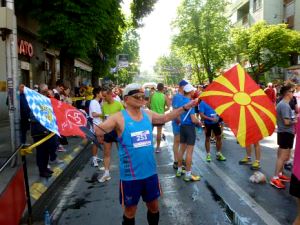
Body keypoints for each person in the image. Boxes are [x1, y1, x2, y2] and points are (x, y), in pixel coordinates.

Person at [94, 83, 197, 225]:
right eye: (137, 96)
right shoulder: (118, 118)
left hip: (150, 173)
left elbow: (165, 118)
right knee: (130, 211)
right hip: (131, 176)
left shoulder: (147, 114)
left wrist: (186, 107)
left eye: (143, 96)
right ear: (126, 99)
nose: (142, 99)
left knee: (154, 207)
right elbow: (99, 131)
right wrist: (82, 121)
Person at [270, 84, 296, 189]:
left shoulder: (283, 104)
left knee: (282, 155)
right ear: (287, 93)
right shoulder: (284, 105)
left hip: (284, 133)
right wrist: (295, 120)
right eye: (292, 91)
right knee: (283, 157)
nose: (293, 93)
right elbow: (286, 122)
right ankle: (275, 178)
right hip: (286, 133)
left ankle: (279, 175)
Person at [176, 84, 202, 182]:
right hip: (189, 128)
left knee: (181, 149)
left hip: (182, 127)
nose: (194, 92)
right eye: (193, 91)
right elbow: (193, 119)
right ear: (190, 92)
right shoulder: (190, 103)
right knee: (189, 152)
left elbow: (178, 114)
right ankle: (188, 174)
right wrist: (199, 122)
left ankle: (179, 170)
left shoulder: (181, 100)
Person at [98, 87, 124, 183]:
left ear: (110, 95)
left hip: (117, 132)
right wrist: (100, 134)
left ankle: (126, 172)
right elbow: (104, 120)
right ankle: (106, 174)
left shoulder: (118, 104)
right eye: (103, 96)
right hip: (107, 132)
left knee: (122, 152)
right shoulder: (104, 105)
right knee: (106, 153)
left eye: (105, 96)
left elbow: (123, 118)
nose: (104, 98)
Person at [171, 80, 188, 169]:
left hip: (184, 123)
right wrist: (179, 122)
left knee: (183, 142)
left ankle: (180, 158)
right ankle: (176, 161)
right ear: (182, 87)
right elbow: (175, 110)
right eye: (186, 86)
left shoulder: (184, 96)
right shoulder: (177, 97)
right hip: (178, 123)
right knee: (177, 141)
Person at [149, 83, 170, 153]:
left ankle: (148, 148)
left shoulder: (152, 94)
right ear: (163, 88)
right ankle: (158, 148)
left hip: (152, 116)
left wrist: (151, 109)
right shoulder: (164, 96)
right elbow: (169, 107)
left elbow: (148, 104)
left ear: (157, 88)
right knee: (159, 132)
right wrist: (163, 110)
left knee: (149, 132)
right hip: (160, 116)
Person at [89, 87, 103, 167]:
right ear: (97, 94)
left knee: (97, 142)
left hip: (99, 124)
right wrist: (104, 114)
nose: (102, 94)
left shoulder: (97, 102)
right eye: (101, 93)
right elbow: (94, 114)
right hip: (95, 125)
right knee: (95, 143)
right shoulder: (94, 102)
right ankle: (94, 159)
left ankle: (96, 157)